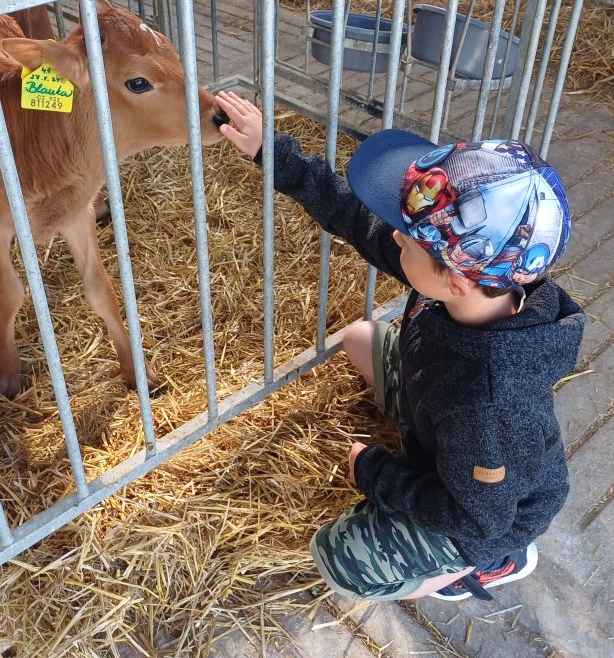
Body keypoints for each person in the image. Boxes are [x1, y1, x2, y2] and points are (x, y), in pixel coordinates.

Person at [215, 90, 585, 601]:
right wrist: (272, 153)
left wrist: (376, 473)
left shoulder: (490, 403)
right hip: (440, 407)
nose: (393, 238)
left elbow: (476, 517)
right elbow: (353, 218)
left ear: (455, 280)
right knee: (360, 337)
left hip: (488, 516)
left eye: (406, 240)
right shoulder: (478, 283)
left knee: (339, 559)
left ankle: (489, 566)